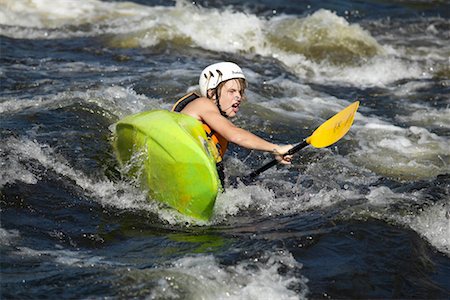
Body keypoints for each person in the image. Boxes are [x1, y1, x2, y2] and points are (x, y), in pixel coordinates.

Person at [172, 61, 293, 184]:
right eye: (232, 91)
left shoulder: (215, 123)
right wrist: (276, 148)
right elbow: (235, 135)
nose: (238, 97)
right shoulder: (203, 104)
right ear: (212, 94)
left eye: (240, 92)